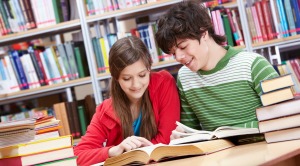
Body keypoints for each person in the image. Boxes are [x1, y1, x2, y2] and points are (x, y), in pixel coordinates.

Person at [155, 0, 279, 140]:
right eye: (173, 53)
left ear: (203, 33)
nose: (178, 57)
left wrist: (234, 133)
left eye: (183, 47)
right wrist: (181, 137)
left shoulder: (253, 65)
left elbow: (286, 118)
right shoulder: (185, 77)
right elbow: (190, 131)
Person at [74, 36, 180, 165]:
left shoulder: (164, 83)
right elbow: (78, 156)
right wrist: (113, 151)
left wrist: (131, 154)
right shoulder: (105, 110)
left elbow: (167, 139)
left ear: (149, 69)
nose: (136, 85)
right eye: (127, 78)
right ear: (116, 78)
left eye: (142, 75)